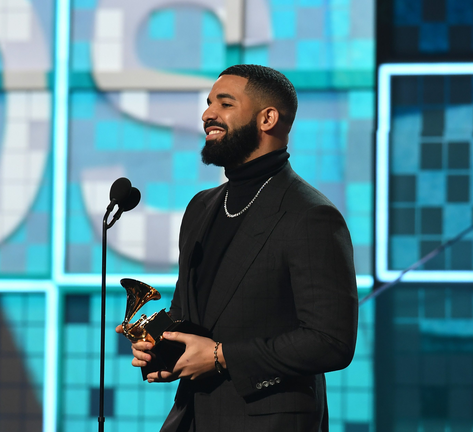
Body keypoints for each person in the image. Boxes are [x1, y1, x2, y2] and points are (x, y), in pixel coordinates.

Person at [115, 64, 358, 432]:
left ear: (268, 118)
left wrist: (220, 357)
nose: (207, 114)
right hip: (191, 418)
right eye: (209, 102)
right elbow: (189, 314)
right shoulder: (201, 206)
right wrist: (162, 347)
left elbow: (331, 341)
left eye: (225, 104)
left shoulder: (311, 215)